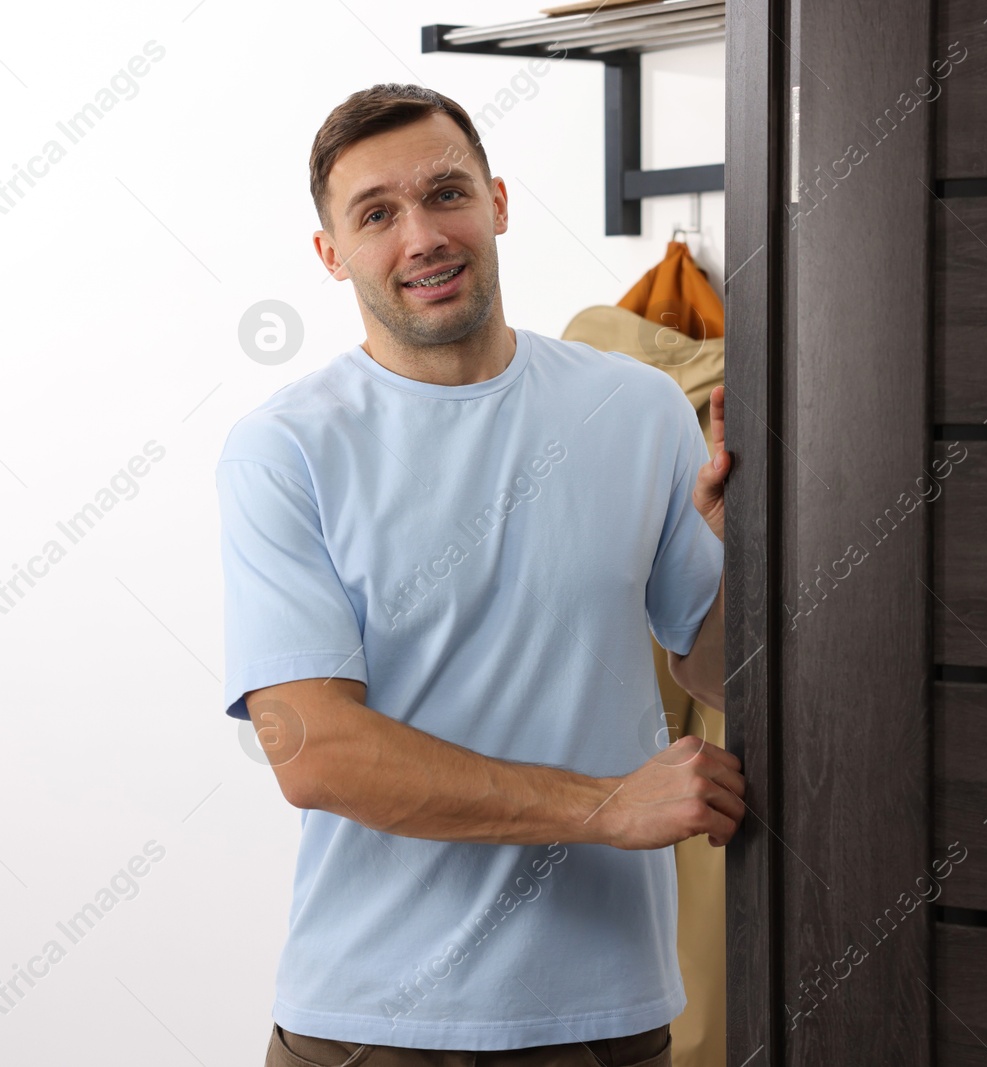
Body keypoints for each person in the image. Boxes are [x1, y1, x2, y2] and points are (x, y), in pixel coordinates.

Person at [217, 82, 743, 1067]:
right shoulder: (283, 449)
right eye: (377, 213)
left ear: (497, 203)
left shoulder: (638, 409)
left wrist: (734, 561)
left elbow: (716, 672)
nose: (422, 235)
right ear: (332, 254)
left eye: (446, 193)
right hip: (373, 1027)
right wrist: (603, 805)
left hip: (610, 1017)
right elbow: (315, 751)